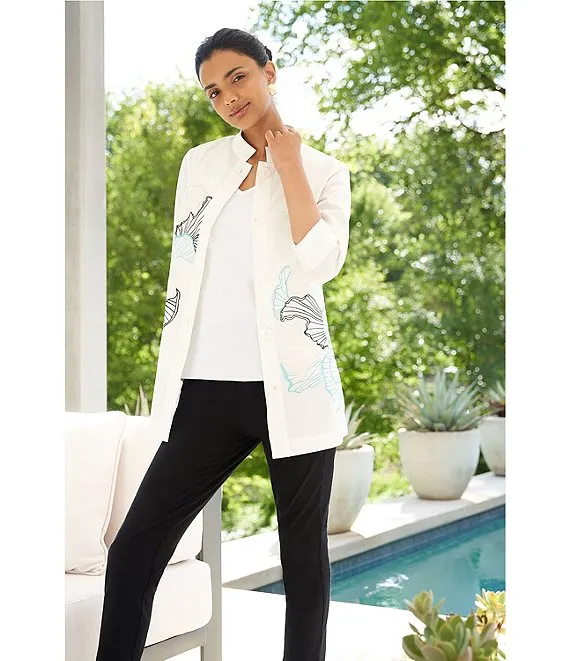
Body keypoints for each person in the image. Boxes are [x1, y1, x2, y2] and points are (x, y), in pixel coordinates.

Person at [95, 27, 351, 661]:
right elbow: (188, 269)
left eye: (238, 77)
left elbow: (321, 262)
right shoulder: (200, 165)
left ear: (269, 71)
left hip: (293, 390)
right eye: (213, 90)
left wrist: (288, 166)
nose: (228, 97)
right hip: (205, 389)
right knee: (134, 551)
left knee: (304, 567)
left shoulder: (325, 172)